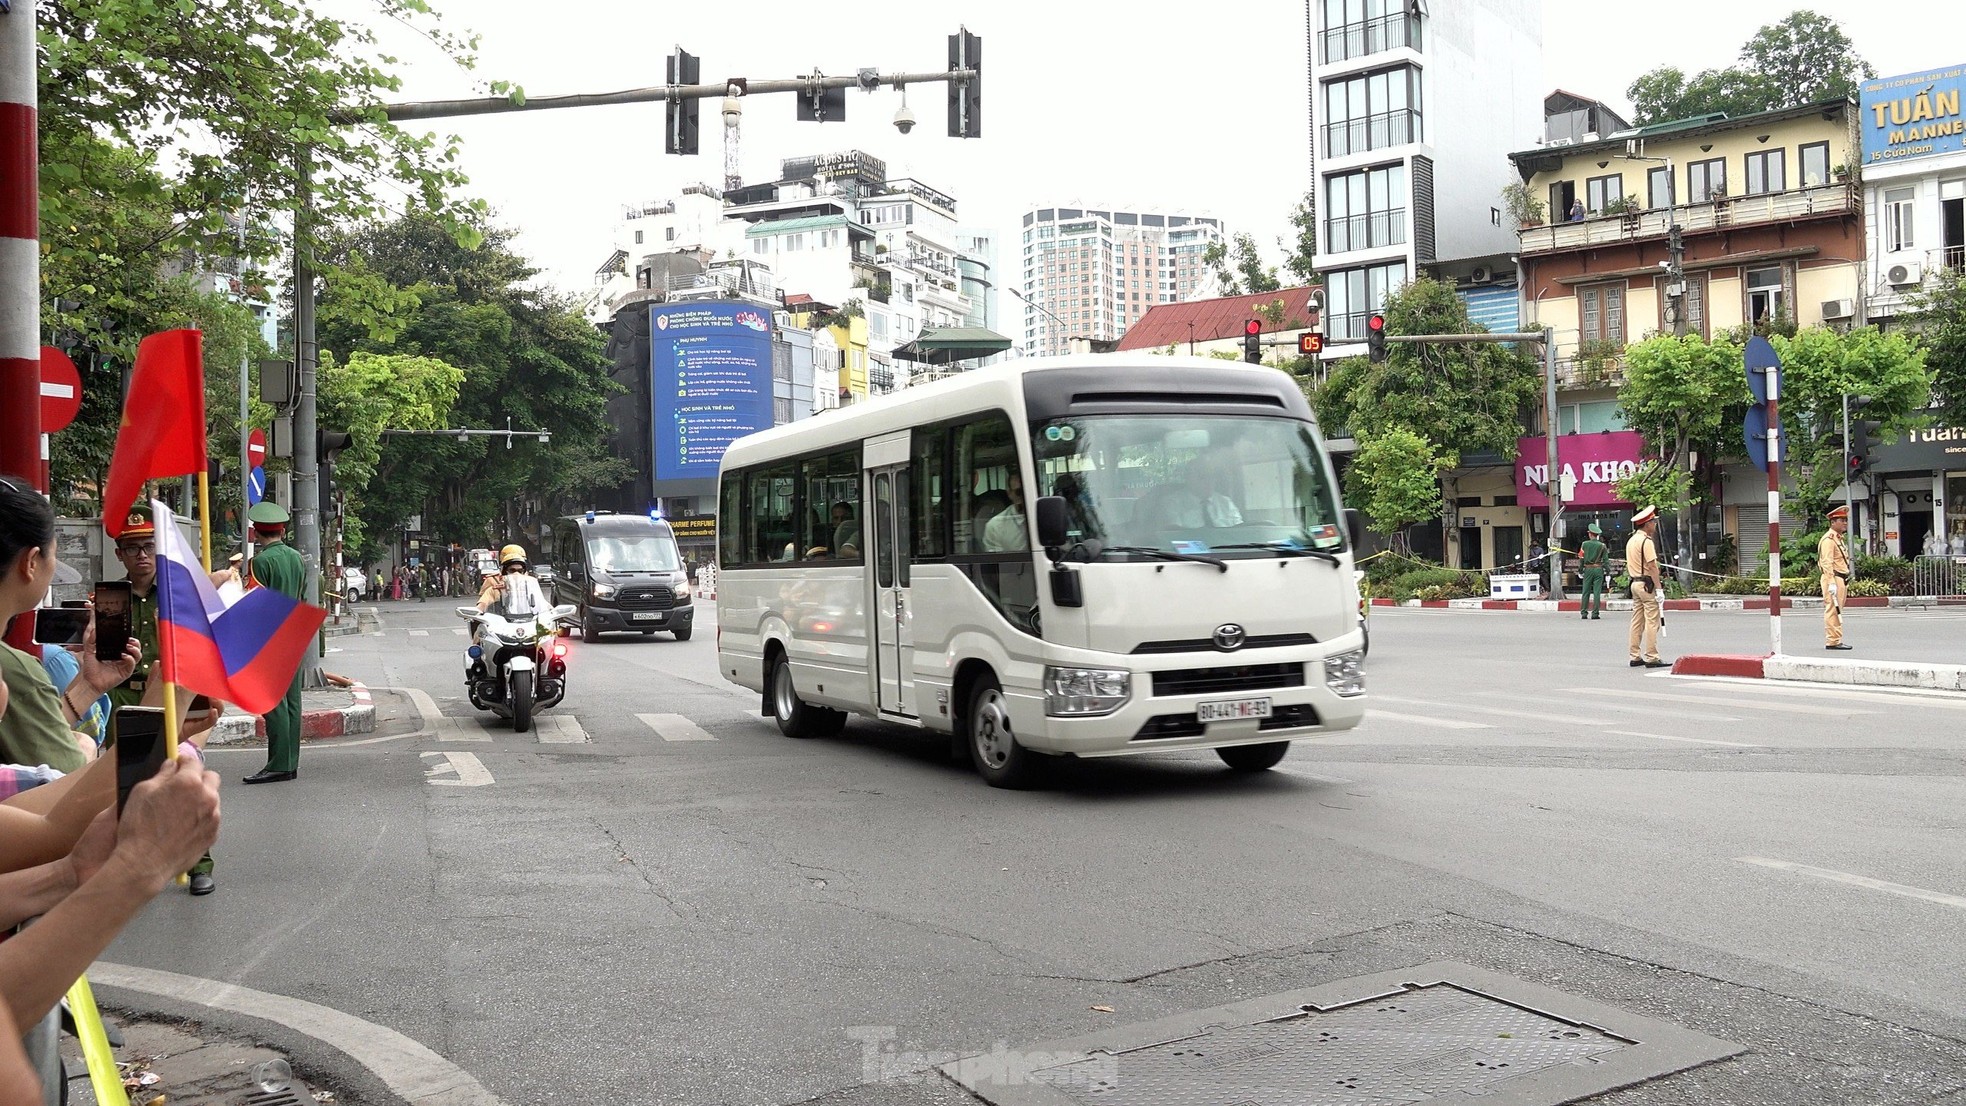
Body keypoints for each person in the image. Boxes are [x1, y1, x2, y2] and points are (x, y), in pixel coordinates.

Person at [244, 501, 305, 784]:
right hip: (294, 635)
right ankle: (290, 762)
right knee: (292, 702)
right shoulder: (296, 558)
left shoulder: (260, 562)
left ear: (256, 533)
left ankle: (279, 764)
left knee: (274, 704)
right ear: (282, 530)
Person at [1625, 505, 1668, 668]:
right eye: (1653, 522)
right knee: (1652, 621)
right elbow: (1652, 566)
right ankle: (1652, 656)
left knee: (1637, 621)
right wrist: (1659, 588)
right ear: (1647, 523)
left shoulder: (1632, 540)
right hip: (1646, 585)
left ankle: (1634, 655)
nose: (1655, 525)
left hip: (1634, 583)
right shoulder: (1646, 541)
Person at [1151, 460, 1244, 529]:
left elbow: (1240, 532)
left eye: (1212, 476)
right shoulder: (1171, 503)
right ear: (1188, 478)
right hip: (1187, 554)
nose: (1209, 481)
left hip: (1228, 551)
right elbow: (1175, 536)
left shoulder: (1226, 503)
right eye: (1202, 476)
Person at [1821, 505, 1853, 650]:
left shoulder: (1838, 538)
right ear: (1833, 522)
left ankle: (1836, 638)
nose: (1845, 523)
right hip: (1834, 578)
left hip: (1841, 578)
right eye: (1842, 520)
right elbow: (1826, 562)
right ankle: (1833, 641)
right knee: (1833, 609)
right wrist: (1831, 583)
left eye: (1846, 520)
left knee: (1837, 609)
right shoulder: (1829, 540)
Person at [983, 472, 1029, 552]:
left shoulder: (1046, 517)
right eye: (1019, 492)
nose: (1025, 496)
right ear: (1010, 494)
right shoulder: (995, 526)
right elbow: (997, 561)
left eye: (1029, 490)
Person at [1578, 522, 1608, 621]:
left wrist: (1580, 569)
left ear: (1590, 534)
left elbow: (1581, 558)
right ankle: (1595, 613)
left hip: (1588, 569)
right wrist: (1608, 571)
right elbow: (1605, 561)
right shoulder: (1602, 546)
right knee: (1597, 592)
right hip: (1598, 569)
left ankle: (1584, 613)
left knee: (1585, 591)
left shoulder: (1584, 544)